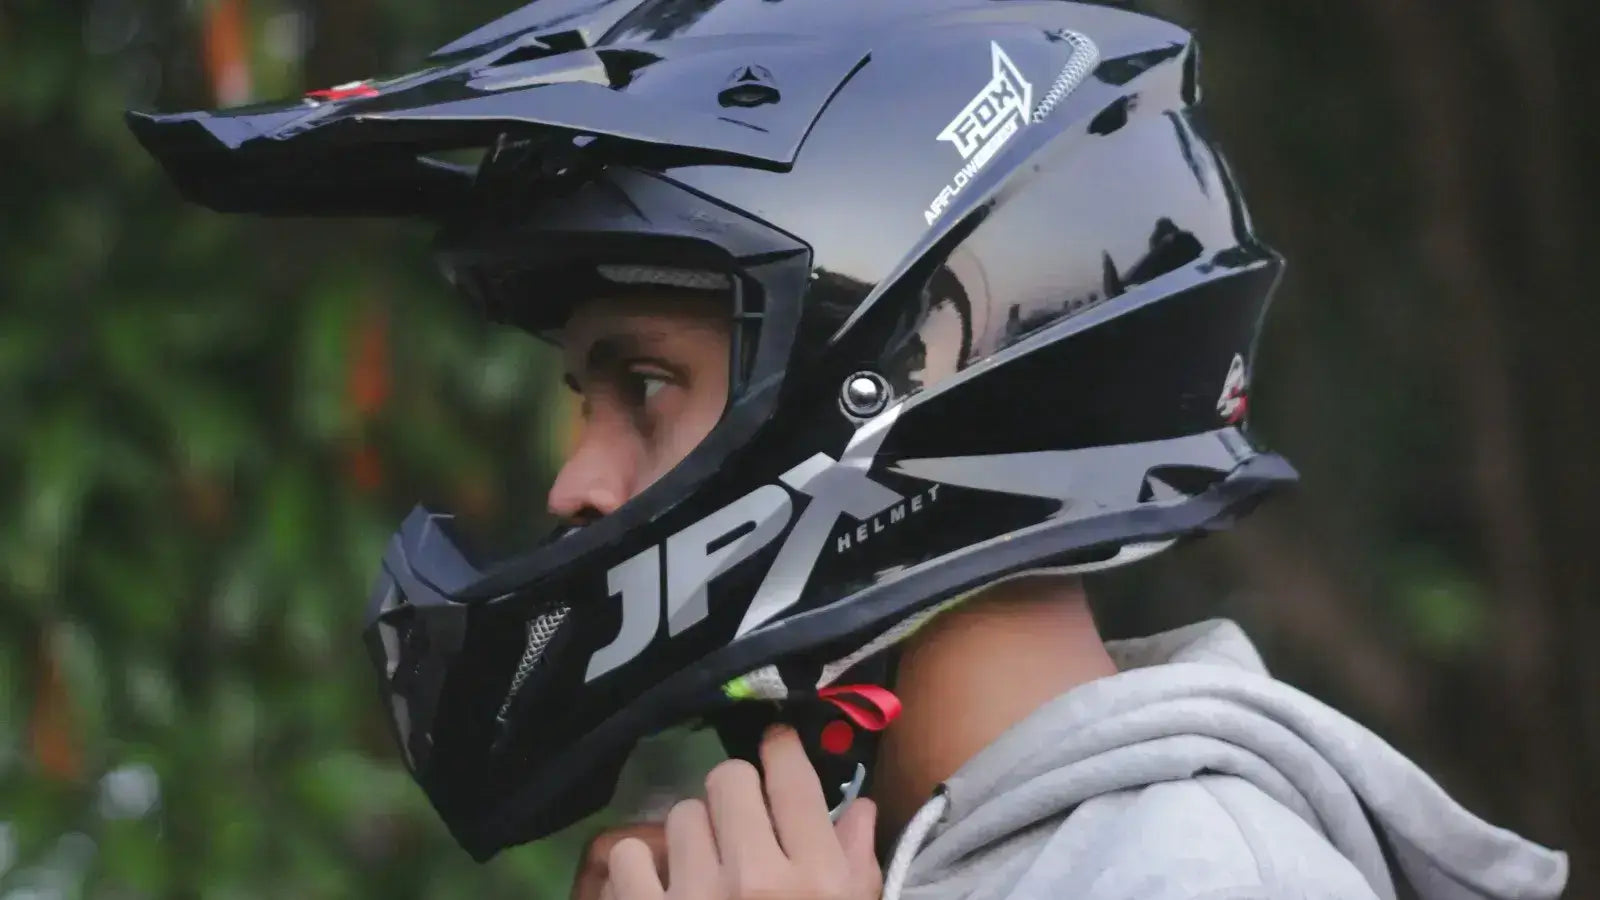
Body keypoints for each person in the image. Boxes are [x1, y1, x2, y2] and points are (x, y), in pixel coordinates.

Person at [130, 0, 1570, 897]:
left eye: (641, 384)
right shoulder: (868, 855)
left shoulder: (1193, 874)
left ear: (902, 387)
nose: (577, 482)